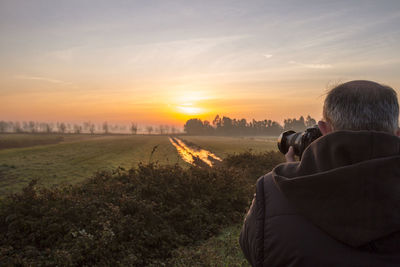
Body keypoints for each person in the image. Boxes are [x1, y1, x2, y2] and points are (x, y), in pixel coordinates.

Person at [239, 80, 400, 266]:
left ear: (324, 129)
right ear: (397, 133)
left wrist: (294, 175)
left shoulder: (271, 190)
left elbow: (256, 252)